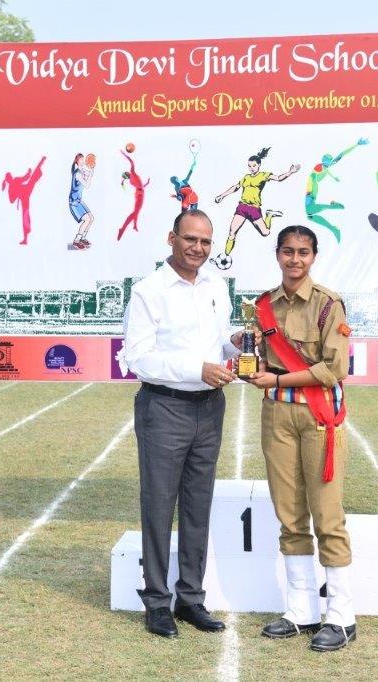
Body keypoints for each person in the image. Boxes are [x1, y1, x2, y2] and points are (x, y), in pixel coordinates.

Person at [121, 209, 246, 639]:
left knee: (198, 504)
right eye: (190, 239)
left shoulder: (215, 284)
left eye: (206, 241)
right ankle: (157, 602)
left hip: (209, 407)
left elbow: (219, 340)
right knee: (159, 504)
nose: (198, 248)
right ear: (171, 238)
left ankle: (190, 597)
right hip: (165, 408)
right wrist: (197, 369)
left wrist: (236, 344)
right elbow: (137, 358)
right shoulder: (148, 291)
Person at [243, 225, 356, 652]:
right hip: (277, 415)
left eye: (303, 252)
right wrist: (249, 355)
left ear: (313, 256)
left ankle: (342, 617)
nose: (295, 259)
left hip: (317, 416)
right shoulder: (263, 305)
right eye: (288, 251)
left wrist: (276, 379)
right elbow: (258, 356)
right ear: (277, 254)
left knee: (327, 515)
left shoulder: (328, 304)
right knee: (289, 515)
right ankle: (301, 610)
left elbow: (334, 369)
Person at [211, 147, 300, 269]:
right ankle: (224, 255)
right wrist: (222, 195)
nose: (251, 168)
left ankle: (269, 215)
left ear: (259, 165)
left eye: (253, 165)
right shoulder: (246, 177)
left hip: (254, 209)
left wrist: (290, 172)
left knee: (265, 233)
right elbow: (236, 187)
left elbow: (278, 178)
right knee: (232, 232)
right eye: (249, 166)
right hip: (242, 207)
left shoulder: (263, 175)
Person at [304, 138, 368, 242]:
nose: (327, 163)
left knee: (309, 211)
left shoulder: (324, 166)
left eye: (328, 161)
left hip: (312, 188)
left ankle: (334, 207)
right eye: (326, 161)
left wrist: (356, 145)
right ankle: (334, 228)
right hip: (312, 187)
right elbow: (318, 173)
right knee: (310, 215)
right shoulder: (321, 166)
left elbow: (341, 155)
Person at [1, 156, 46, 245]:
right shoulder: (11, 187)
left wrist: (28, 173)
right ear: (8, 179)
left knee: (33, 177)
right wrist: (28, 173)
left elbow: (25, 178)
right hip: (24, 197)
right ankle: (25, 238)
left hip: (26, 191)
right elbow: (11, 200)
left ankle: (41, 161)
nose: (10, 179)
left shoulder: (15, 181)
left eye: (10, 177)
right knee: (25, 217)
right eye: (9, 178)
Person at [118, 150, 150, 241]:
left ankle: (134, 225)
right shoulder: (132, 175)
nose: (128, 172)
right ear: (127, 175)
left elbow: (140, 185)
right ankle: (123, 228)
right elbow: (131, 162)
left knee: (136, 211)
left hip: (140, 194)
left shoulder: (132, 179)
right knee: (135, 212)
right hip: (139, 194)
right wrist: (125, 155)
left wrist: (147, 183)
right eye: (126, 173)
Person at [68, 152, 95, 250]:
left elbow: (86, 172)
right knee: (87, 219)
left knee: (91, 218)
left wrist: (91, 169)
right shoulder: (78, 174)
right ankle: (76, 241)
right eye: (81, 160)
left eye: (84, 159)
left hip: (78, 200)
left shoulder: (81, 170)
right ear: (77, 162)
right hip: (74, 202)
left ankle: (82, 238)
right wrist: (91, 174)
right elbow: (87, 185)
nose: (83, 161)